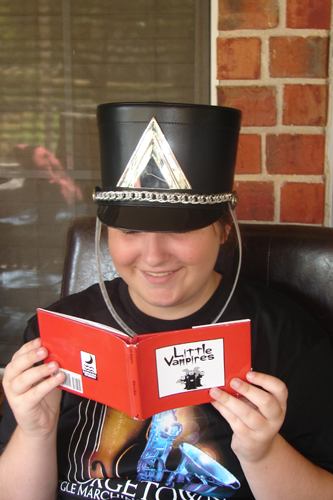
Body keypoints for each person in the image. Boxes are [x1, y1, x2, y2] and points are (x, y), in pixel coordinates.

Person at [0, 102, 333, 500]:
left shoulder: (289, 340)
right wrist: (35, 431)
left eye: (179, 231)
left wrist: (262, 454)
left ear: (225, 228)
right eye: (131, 230)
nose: (154, 256)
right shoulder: (54, 335)